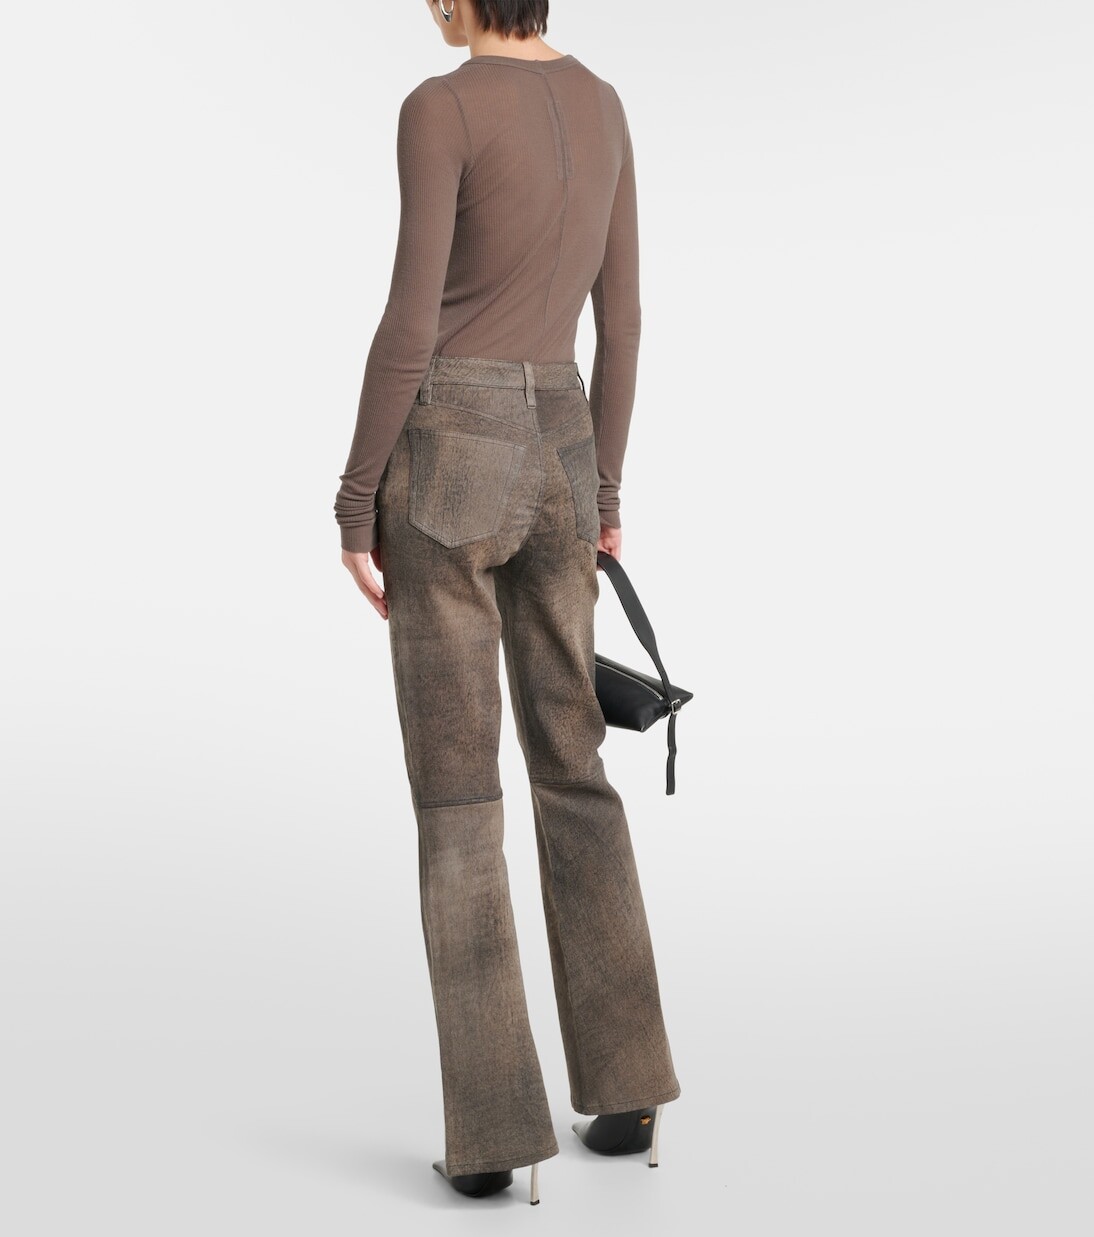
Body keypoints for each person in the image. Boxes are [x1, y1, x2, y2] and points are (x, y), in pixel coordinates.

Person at [333, 0, 681, 1204]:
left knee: (459, 796)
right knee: (572, 764)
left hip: (450, 452)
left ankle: (490, 1139)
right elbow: (619, 320)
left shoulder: (439, 108)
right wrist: (604, 488)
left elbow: (411, 318)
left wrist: (354, 499)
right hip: (563, 446)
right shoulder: (604, 103)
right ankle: (625, 1091)